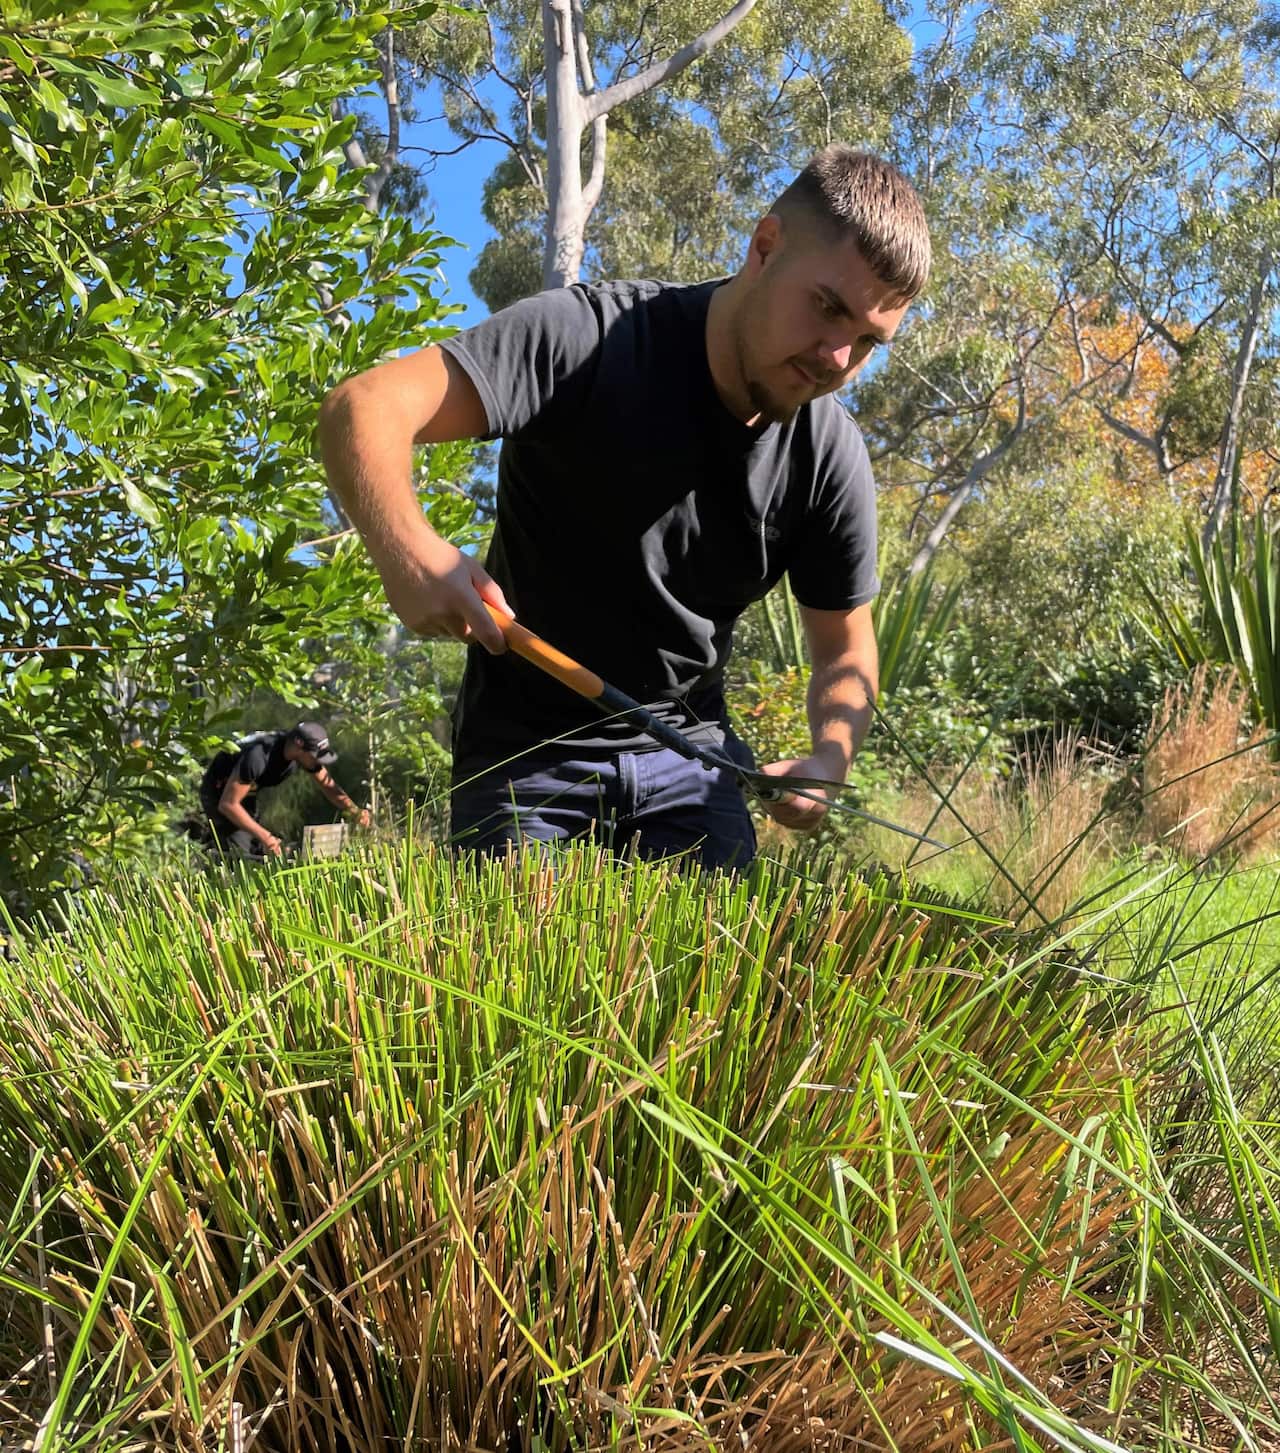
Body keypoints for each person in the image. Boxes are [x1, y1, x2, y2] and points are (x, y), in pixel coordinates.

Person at [317, 145, 930, 869]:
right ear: (764, 247)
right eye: (827, 308)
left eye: (866, 341)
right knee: (509, 972)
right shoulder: (586, 338)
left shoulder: (828, 455)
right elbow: (364, 407)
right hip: (523, 751)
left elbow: (844, 646)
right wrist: (410, 552)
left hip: (690, 754)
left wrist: (832, 753)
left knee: (720, 973)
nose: (836, 358)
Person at [198, 722, 370, 859]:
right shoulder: (259, 756)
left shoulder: (299, 755)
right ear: (298, 745)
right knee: (242, 856)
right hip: (220, 794)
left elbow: (328, 785)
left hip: (246, 792)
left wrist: (354, 811)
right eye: (316, 756)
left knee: (259, 849)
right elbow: (228, 805)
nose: (319, 763)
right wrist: (266, 837)